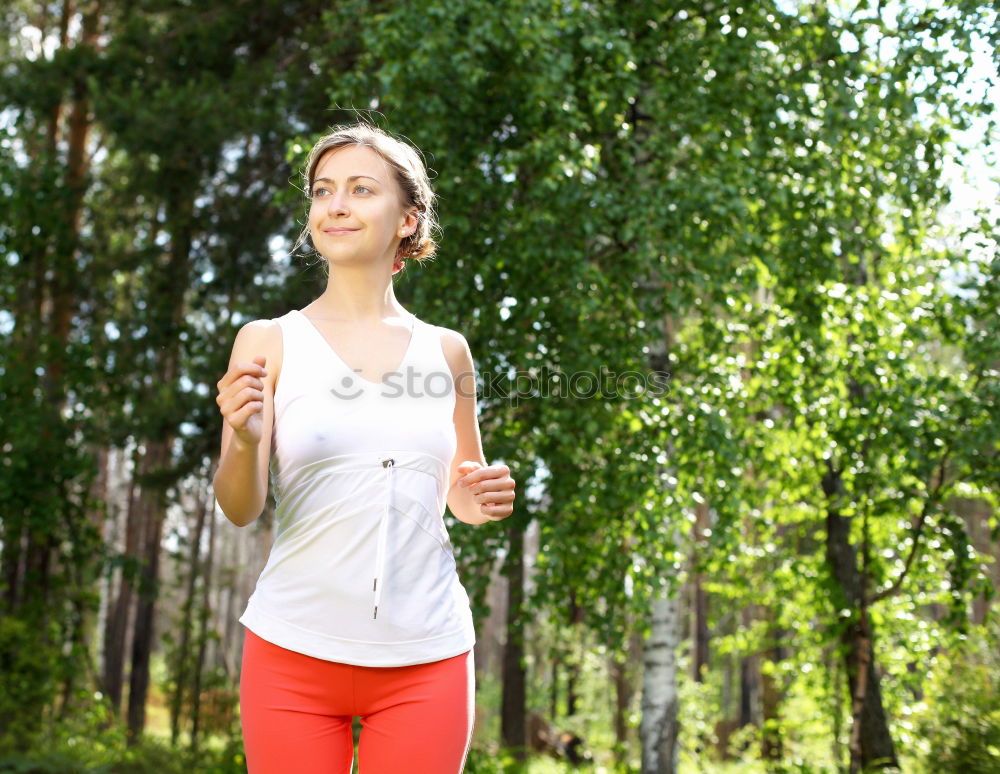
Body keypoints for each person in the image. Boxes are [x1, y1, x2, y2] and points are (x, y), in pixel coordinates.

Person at [212, 121, 517, 774]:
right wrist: (242, 439)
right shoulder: (266, 341)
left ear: (408, 219)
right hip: (292, 650)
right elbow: (240, 508)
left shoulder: (447, 350)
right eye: (322, 192)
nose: (336, 206)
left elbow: (459, 494)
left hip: (426, 656)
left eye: (359, 189)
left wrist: (482, 492)